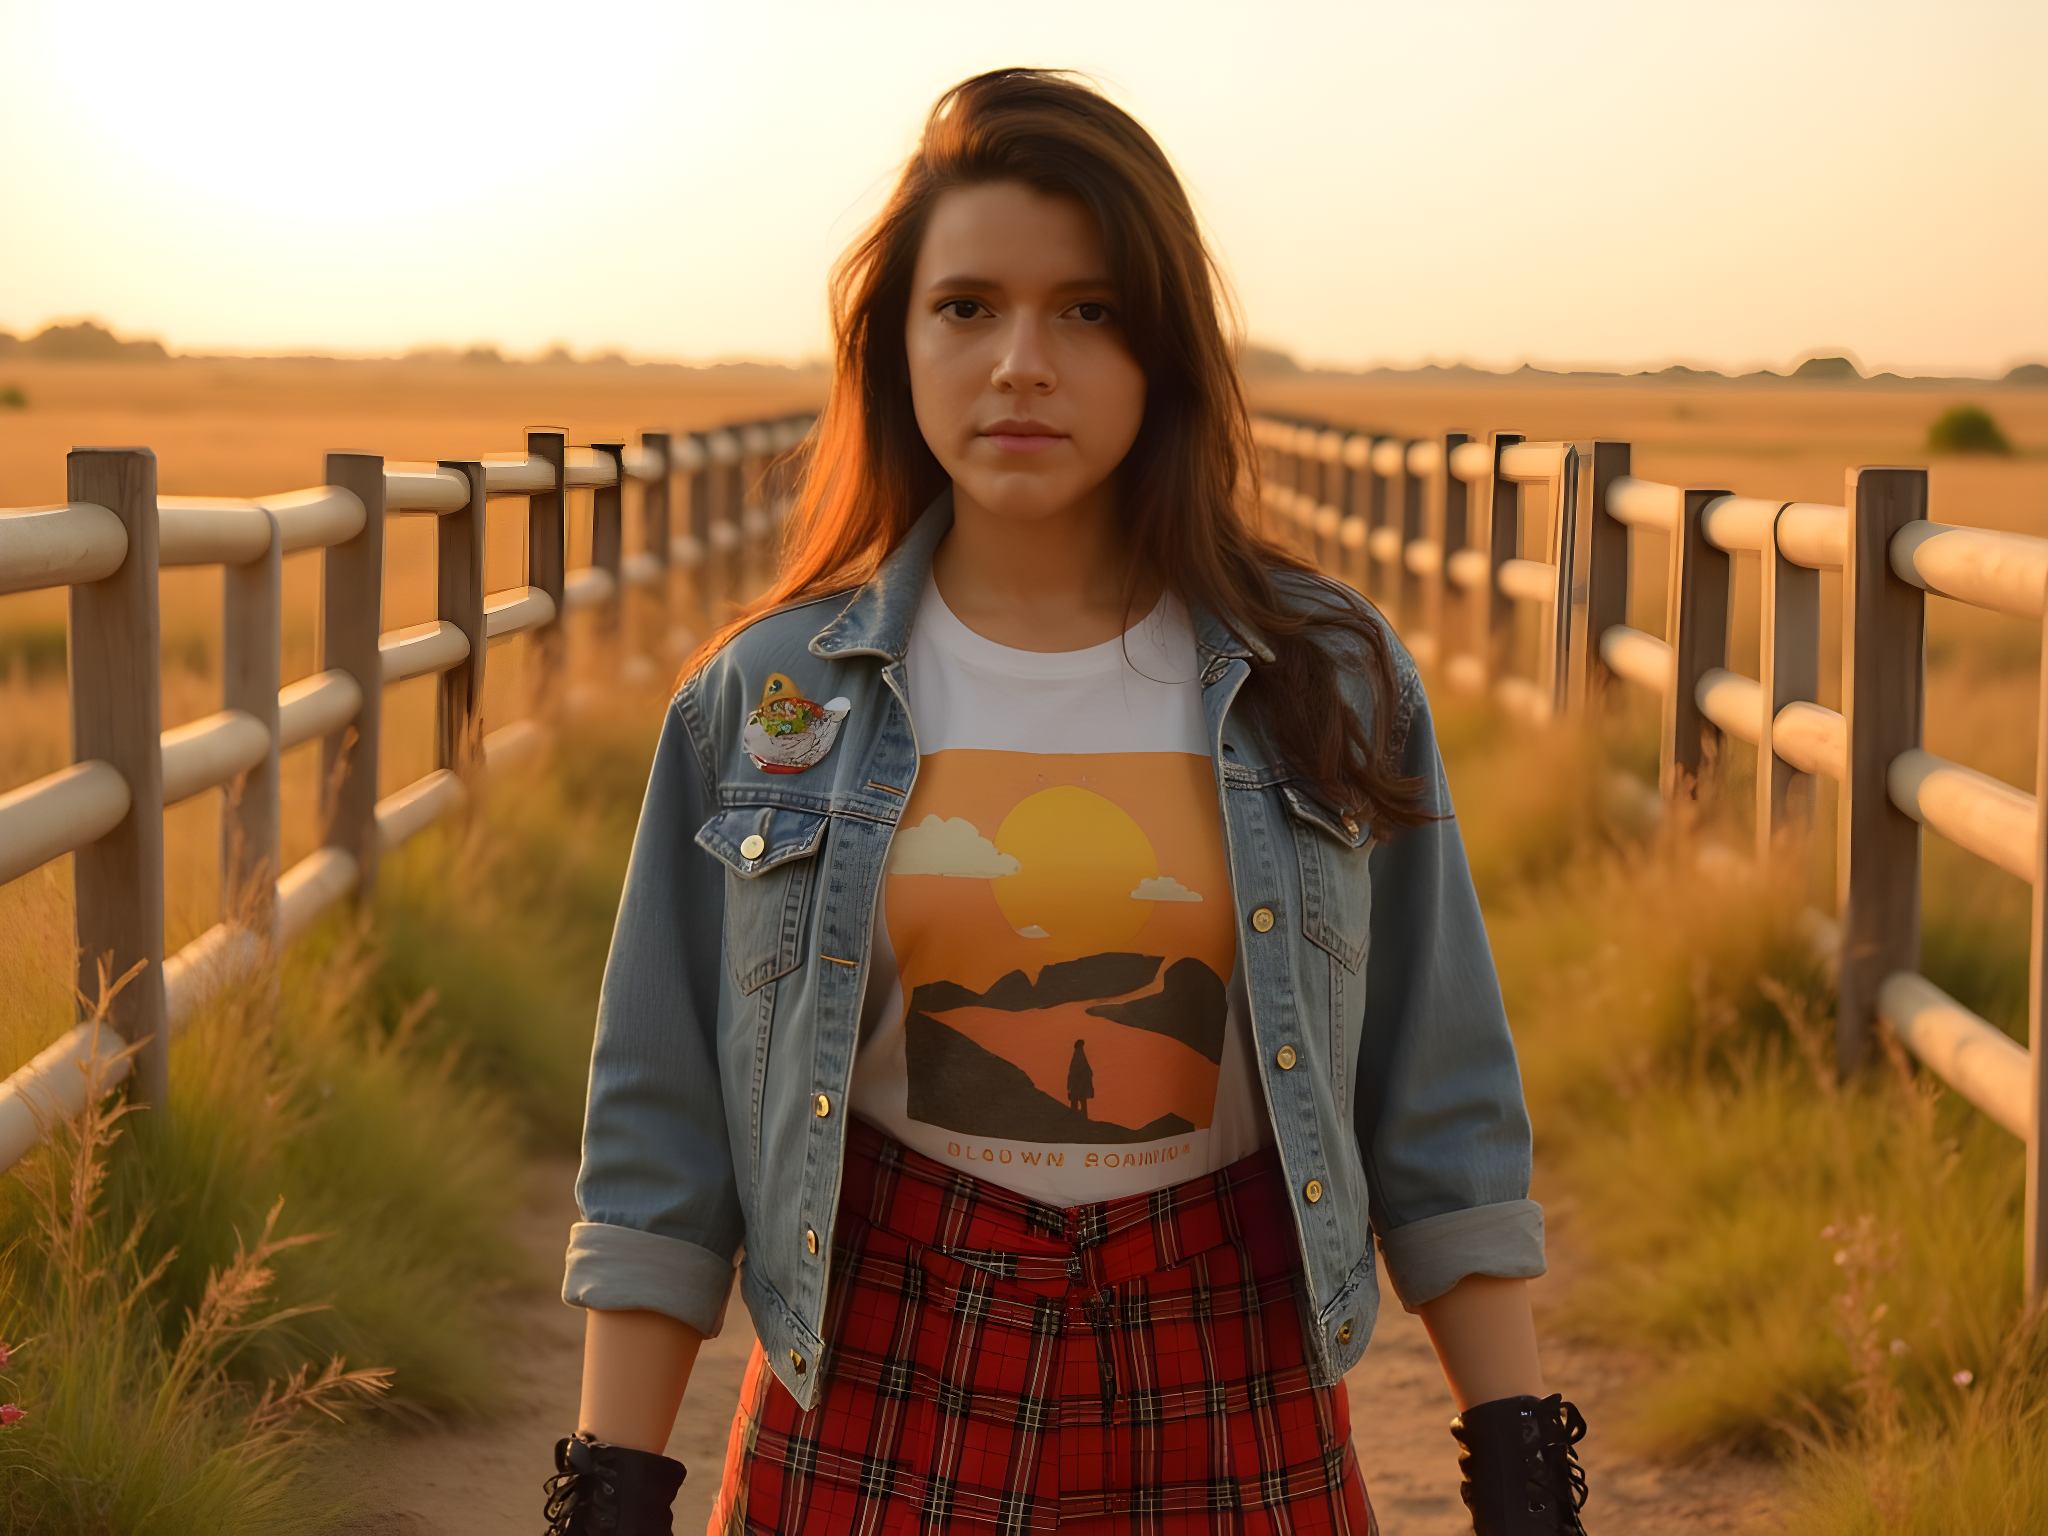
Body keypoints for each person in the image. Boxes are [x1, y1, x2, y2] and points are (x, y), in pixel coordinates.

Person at [545, 68, 1588, 1536]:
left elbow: (1439, 1087)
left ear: (1163, 349)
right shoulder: (766, 697)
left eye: (1087, 311)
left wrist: (1522, 1469)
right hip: (875, 1386)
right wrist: (607, 1491)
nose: (1021, 363)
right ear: (897, 344)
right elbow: (662, 1138)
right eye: (967, 307)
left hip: (1233, 1380)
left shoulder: (1328, 675)